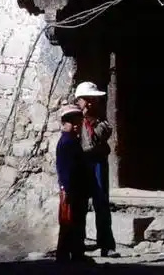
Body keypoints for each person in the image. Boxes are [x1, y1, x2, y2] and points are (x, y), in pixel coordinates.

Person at [74, 81, 120, 258]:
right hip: (81, 164)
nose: (92, 103)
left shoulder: (100, 120)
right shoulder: (74, 118)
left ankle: (106, 245)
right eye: (88, 99)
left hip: (98, 163)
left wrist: (89, 121)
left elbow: (96, 139)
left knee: (101, 203)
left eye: (94, 99)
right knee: (80, 205)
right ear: (81, 100)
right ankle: (78, 245)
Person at [55, 104, 90, 264]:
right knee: (69, 222)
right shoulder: (66, 142)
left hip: (77, 188)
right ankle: (67, 254)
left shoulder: (72, 141)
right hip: (71, 189)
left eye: (78, 122)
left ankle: (75, 253)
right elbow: (64, 168)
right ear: (64, 123)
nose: (76, 125)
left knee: (76, 222)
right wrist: (66, 188)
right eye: (72, 122)